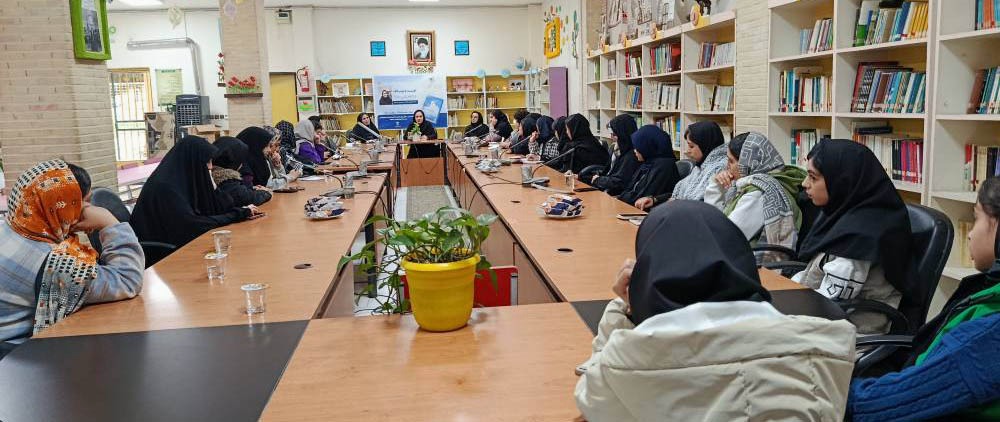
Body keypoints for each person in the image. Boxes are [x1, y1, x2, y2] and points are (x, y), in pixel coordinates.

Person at [574, 200, 855, 421]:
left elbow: (592, 401)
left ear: (649, 270)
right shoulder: (826, 346)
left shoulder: (627, 361)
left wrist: (625, 308)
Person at [847, 176, 1000, 421]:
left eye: (976, 217)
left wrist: (828, 388)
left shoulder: (987, 336)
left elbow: (878, 406)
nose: (970, 234)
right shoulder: (988, 293)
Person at [0, 160, 145, 357]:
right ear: (66, 205)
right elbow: (128, 279)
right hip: (17, 358)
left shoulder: (9, 227)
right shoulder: (53, 264)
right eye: (85, 202)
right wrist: (109, 222)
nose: (89, 208)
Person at [794, 139, 912, 334]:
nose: (805, 184)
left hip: (851, 334)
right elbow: (815, 273)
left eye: (813, 177)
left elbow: (827, 304)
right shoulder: (844, 212)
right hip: (825, 317)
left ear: (841, 180)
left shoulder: (860, 236)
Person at [130, 136, 258, 249]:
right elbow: (193, 226)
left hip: (183, 243)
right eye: (207, 161)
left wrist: (213, 187)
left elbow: (220, 206)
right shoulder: (166, 187)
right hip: (163, 253)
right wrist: (238, 214)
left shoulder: (188, 181)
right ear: (192, 161)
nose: (211, 166)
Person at [706, 132, 805, 252]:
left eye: (731, 161)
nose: (727, 167)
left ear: (747, 164)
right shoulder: (759, 182)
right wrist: (717, 185)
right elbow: (714, 221)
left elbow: (723, 236)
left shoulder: (759, 193)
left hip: (751, 260)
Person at [634, 121, 727, 210]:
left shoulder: (720, 169)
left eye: (691, 146)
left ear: (705, 145)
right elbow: (680, 196)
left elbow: (700, 204)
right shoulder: (700, 167)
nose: (687, 151)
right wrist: (654, 199)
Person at [617, 125, 681, 205]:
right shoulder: (648, 162)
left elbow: (643, 196)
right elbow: (630, 188)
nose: (635, 151)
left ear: (648, 146)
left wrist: (619, 199)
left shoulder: (664, 166)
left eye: (638, 147)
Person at [210, 136, 272, 208]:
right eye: (240, 159)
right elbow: (246, 198)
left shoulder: (211, 174)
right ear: (233, 160)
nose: (242, 164)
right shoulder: (226, 180)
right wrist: (266, 192)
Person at [588, 114, 640, 196]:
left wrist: (598, 180)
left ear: (623, 134)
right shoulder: (616, 147)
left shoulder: (633, 155)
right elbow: (608, 172)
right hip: (606, 186)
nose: (611, 137)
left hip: (615, 195)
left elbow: (619, 182)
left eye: (614, 134)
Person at [261, 125, 301, 189]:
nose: (277, 149)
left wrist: (278, 166)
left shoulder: (270, 157)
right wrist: (290, 177)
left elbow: (281, 179)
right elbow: (270, 185)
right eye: (275, 145)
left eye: (279, 145)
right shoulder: (261, 160)